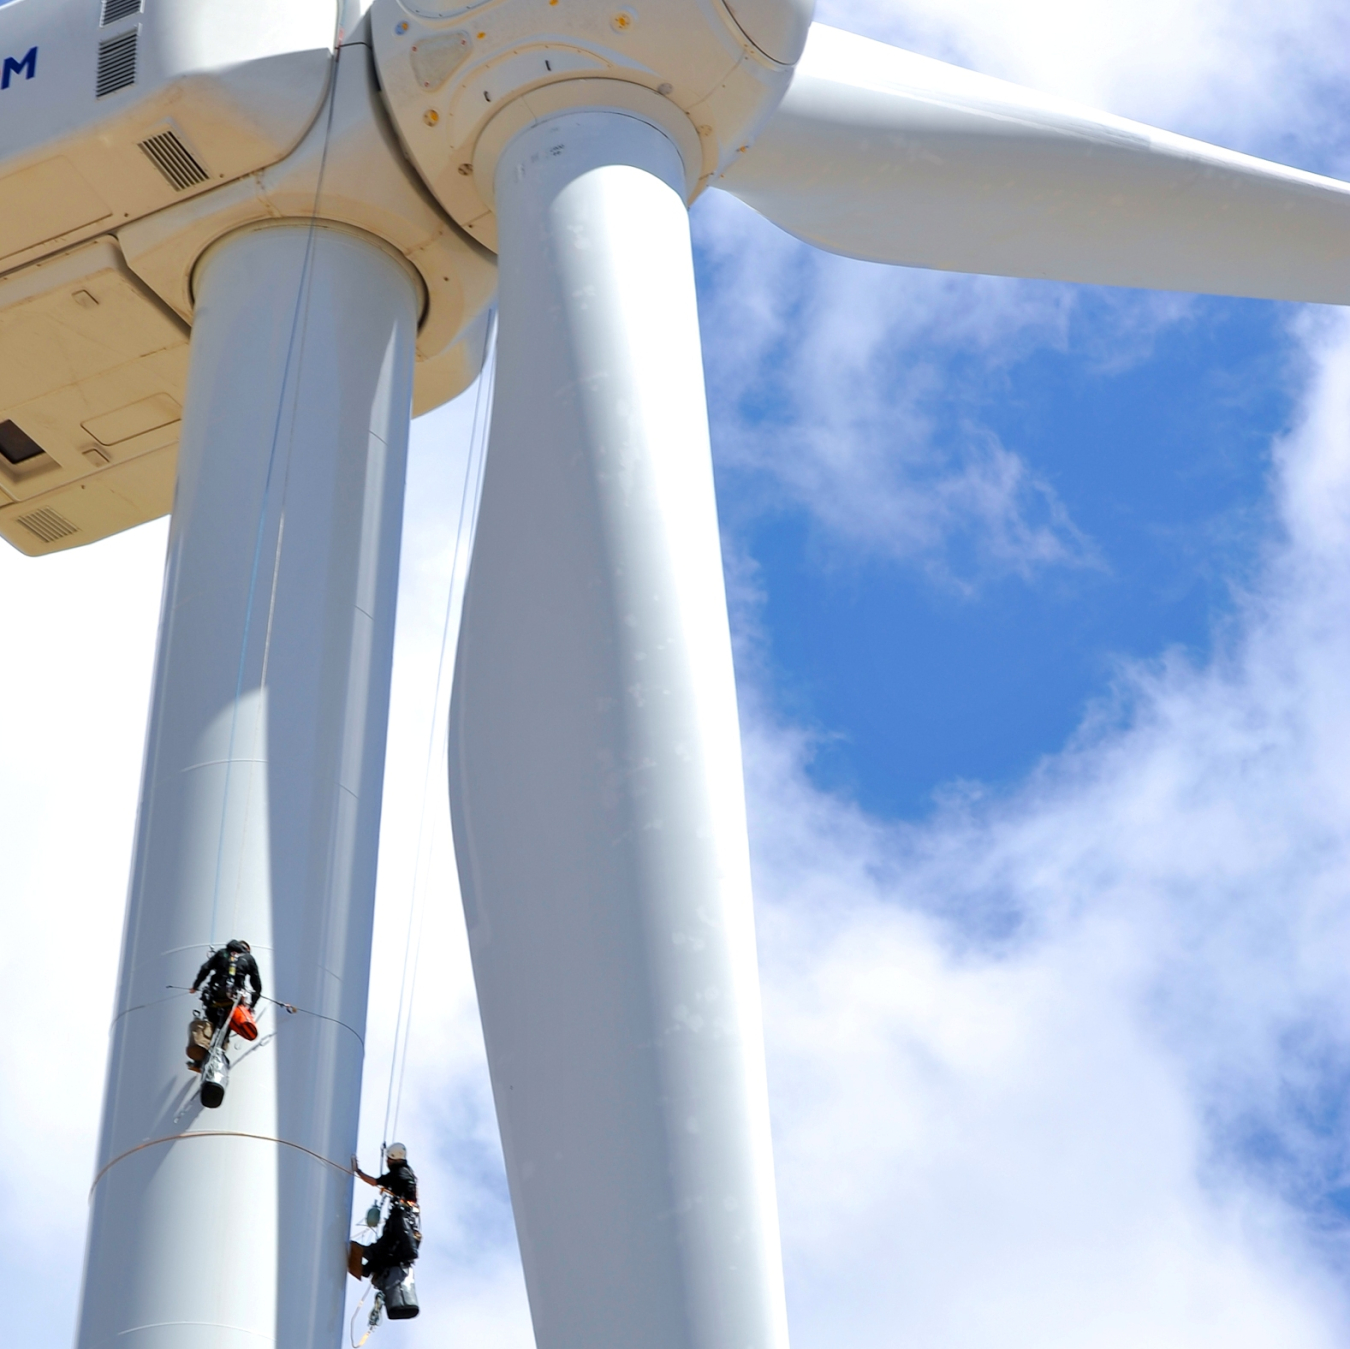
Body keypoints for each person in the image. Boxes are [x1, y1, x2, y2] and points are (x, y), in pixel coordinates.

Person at [352, 1144, 421, 1280]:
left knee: (398, 1248)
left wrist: (358, 1172)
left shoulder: (398, 1173)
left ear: (393, 1159)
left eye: (388, 1159)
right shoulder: (407, 1172)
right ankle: (367, 1267)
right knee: (388, 1246)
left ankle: (368, 1262)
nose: (387, 1162)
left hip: (400, 1215)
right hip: (404, 1216)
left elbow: (374, 1182)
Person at [190, 939, 263, 1033]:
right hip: (233, 998)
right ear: (247, 950)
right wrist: (252, 1005)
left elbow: (205, 968)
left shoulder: (222, 952)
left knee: (211, 1019)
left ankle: (206, 1039)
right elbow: (257, 986)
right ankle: (223, 1041)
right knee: (229, 1022)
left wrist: (195, 986)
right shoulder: (249, 958)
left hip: (214, 995)